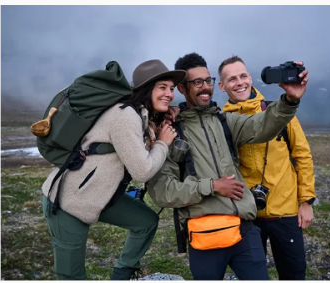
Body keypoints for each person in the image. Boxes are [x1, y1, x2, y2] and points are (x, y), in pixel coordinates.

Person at [146, 52, 308, 280]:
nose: (205, 87)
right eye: (197, 82)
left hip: (244, 230)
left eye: (208, 80)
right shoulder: (170, 131)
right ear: (182, 88)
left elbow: (262, 124)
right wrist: (212, 186)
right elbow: (163, 192)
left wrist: (290, 100)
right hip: (204, 233)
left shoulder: (225, 121)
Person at [40, 59, 182, 280]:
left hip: (100, 197)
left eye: (171, 89)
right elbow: (143, 171)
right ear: (147, 88)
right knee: (72, 277)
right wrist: (163, 143)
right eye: (162, 87)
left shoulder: (139, 114)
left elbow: (138, 146)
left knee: (145, 222)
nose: (170, 94)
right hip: (68, 202)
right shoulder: (125, 115)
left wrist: (161, 119)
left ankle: (121, 275)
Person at [219, 55, 317, 280]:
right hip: (247, 215)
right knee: (253, 276)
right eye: (232, 79)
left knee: (293, 274)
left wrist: (306, 201)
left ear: (250, 77)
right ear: (222, 86)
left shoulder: (279, 111)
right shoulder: (222, 123)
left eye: (243, 76)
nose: (240, 82)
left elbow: (302, 155)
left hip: (286, 211)